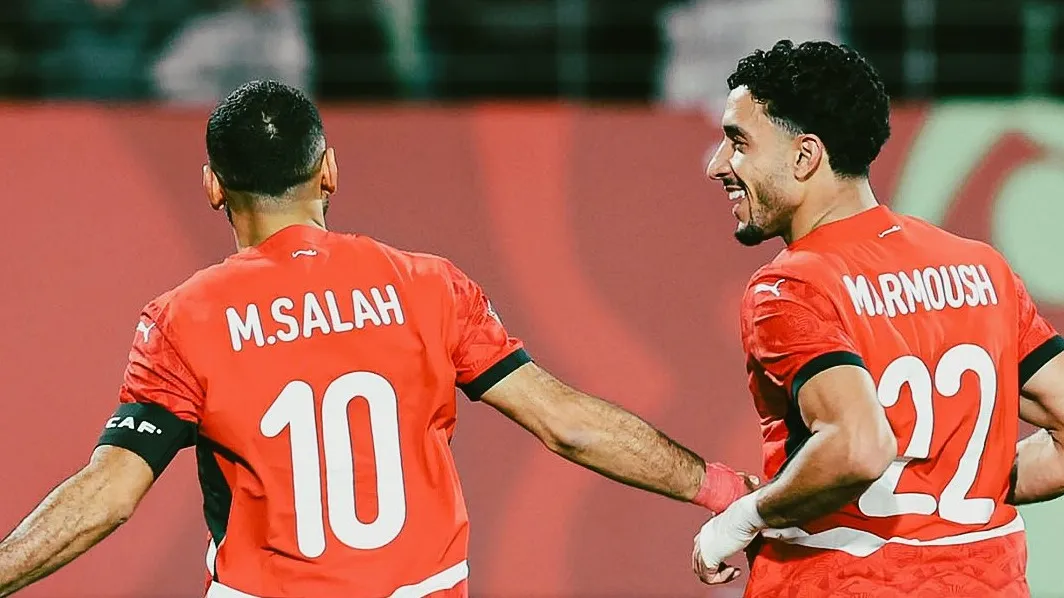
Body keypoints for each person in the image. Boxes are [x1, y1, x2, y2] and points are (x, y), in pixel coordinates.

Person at [0, 80, 754, 598]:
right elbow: (567, 423)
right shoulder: (428, 285)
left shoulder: (182, 320)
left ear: (212, 186)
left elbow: (109, 495)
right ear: (328, 170)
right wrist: (725, 490)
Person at [691, 40, 1064, 596]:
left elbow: (859, 447)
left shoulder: (792, 287)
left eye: (738, 142)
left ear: (805, 156)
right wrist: (952, 482)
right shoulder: (982, 268)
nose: (718, 164)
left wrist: (744, 517)